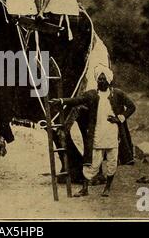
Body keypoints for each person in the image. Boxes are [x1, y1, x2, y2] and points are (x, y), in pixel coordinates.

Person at [50, 65, 136, 197]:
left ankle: (107, 188)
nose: (101, 81)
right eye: (99, 79)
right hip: (97, 134)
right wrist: (61, 101)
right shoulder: (92, 94)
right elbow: (76, 100)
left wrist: (120, 118)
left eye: (103, 79)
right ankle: (85, 189)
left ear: (108, 80)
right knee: (92, 162)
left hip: (112, 134)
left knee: (112, 162)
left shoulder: (117, 94)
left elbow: (131, 106)